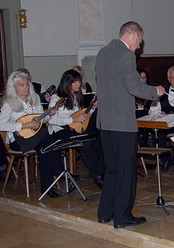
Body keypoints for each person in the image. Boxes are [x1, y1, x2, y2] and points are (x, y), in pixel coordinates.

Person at [95, 21, 164, 228]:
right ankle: (123, 216)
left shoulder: (103, 52)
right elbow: (133, 86)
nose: (139, 46)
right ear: (132, 34)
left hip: (105, 122)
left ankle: (105, 212)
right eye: (140, 41)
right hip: (122, 124)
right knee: (126, 171)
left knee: (112, 169)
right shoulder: (126, 54)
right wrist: (155, 91)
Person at [0, 71, 63, 198]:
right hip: (18, 140)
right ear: (14, 87)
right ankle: (58, 172)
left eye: (27, 84)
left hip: (36, 137)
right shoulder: (9, 103)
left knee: (45, 148)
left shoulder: (35, 98)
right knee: (49, 137)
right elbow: (1, 125)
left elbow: (40, 120)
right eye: (21, 85)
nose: (26, 87)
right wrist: (24, 126)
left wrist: (49, 114)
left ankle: (47, 187)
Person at [47, 69, 105, 188]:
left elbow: (81, 115)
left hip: (75, 128)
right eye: (74, 82)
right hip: (59, 130)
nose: (78, 84)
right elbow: (52, 120)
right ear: (67, 83)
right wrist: (73, 120)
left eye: (78, 81)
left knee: (97, 138)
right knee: (83, 142)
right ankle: (97, 176)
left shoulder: (76, 96)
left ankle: (104, 171)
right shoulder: (56, 98)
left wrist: (92, 108)